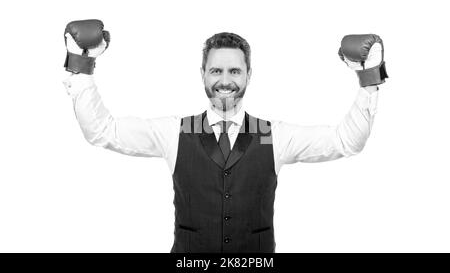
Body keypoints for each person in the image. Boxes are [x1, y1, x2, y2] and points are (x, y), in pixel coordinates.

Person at [62, 19, 387, 253]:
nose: (225, 80)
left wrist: (368, 78)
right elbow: (102, 131)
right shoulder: (174, 132)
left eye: (234, 71)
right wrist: (80, 64)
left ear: (248, 75)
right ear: (203, 74)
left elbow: (346, 141)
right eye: (216, 70)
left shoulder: (274, 135)